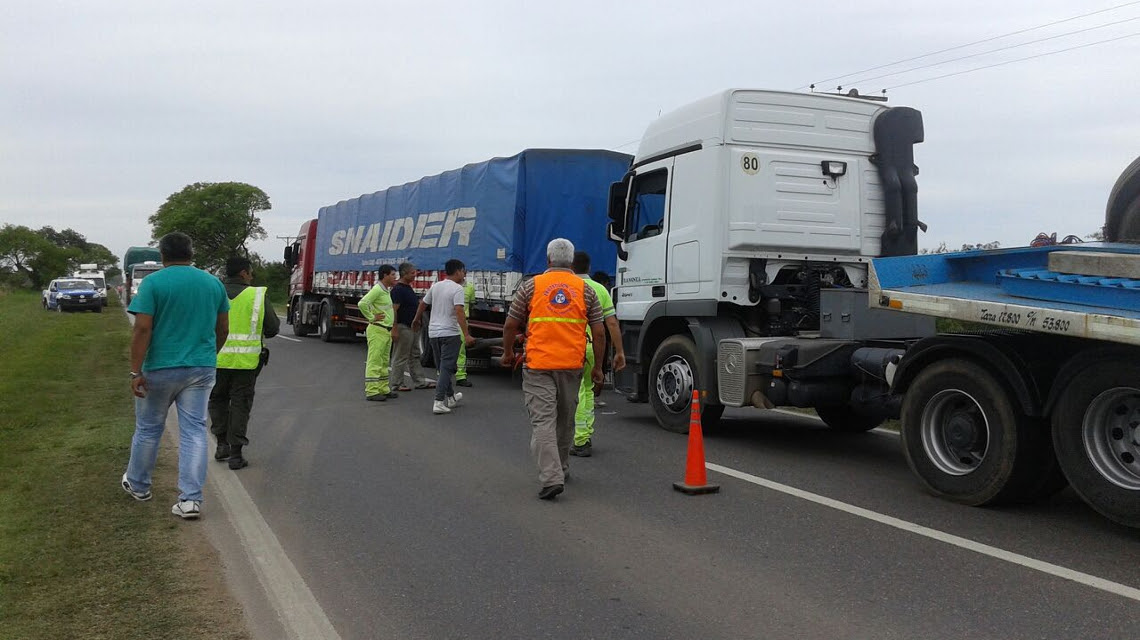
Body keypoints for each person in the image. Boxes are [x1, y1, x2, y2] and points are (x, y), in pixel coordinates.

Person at [121, 232, 230, 520]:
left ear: (163, 255)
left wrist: (136, 371)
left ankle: (139, 485)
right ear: (191, 253)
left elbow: (142, 329)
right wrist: (209, 355)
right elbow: (223, 329)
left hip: (160, 367)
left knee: (148, 428)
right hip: (201, 368)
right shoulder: (212, 283)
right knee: (194, 431)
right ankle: (190, 499)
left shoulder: (154, 283)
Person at [501, 239, 605, 500]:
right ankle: (562, 468)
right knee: (564, 419)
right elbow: (600, 332)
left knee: (543, 422)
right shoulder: (586, 290)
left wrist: (507, 352)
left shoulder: (530, 287)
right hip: (572, 365)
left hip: (538, 365)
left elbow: (510, 325)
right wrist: (599, 368)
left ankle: (551, 477)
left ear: (547, 260)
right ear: (571, 262)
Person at [208, 256, 279, 470]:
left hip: (215, 359)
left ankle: (221, 444)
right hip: (246, 363)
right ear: (243, 273)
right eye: (250, 272)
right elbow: (273, 328)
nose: (252, 275)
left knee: (217, 399)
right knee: (240, 404)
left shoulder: (213, 292)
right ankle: (236, 455)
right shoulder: (256, 295)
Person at [570, 251, 626, 457]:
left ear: (570, 266)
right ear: (589, 268)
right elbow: (611, 323)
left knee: (568, 392)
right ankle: (582, 438)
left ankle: (570, 437)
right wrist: (619, 351)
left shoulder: (568, 287)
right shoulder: (600, 289)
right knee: (586, 390)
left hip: (569, 348)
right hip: (592, 347)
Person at [412, 259, 476, 415]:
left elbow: (423, 304)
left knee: (442, 367)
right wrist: (466, 334)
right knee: (446, 367)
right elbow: (459, 311)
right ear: (458, 271)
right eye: (463, 271)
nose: (464, 274)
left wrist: (416, 319)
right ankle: (438, 401)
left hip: (433, 333)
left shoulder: (436, 286)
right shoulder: (458, 289)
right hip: (450, 333)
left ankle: (451, 397)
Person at [389, 262, 432, 392]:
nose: (415, 275)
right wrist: (394, 328)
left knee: (414, 355)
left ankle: (419, 381)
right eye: (412, 273)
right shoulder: (398, 290)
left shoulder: (408, 288)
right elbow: (394, 310)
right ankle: (397, 383)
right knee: (400, 355)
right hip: (403, 327)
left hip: (412, 327)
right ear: (404, 274)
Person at [360, 264, 399, 402]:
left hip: (385, 331)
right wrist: (371, 317)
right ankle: (372, 391)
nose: (395, 277)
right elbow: (362, 303)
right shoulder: (377, 290)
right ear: (385, 275)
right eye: (393, 275)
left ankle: (383, 389)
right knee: (375, 361)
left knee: (383, 362)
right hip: (377, 329)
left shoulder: (386, 291)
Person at [454, 278, 477, 387]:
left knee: (461, 350)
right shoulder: (448, 287)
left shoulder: (470, 288)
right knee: (446, 350)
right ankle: (442, 375)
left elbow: (472, 305)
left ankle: (461, 376)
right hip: (450, 321)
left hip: (463, 322)